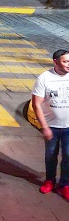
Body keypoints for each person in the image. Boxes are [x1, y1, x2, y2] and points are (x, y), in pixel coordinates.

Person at [32, 49, 69, 200]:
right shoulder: (44, 78)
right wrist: (44, 127)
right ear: (55, 62)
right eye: (65, 61)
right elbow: (36, 104)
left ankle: (65, 184)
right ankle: (50, 180)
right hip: (51, 126)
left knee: (68, 155)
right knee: (51, 155)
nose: (68, 65)